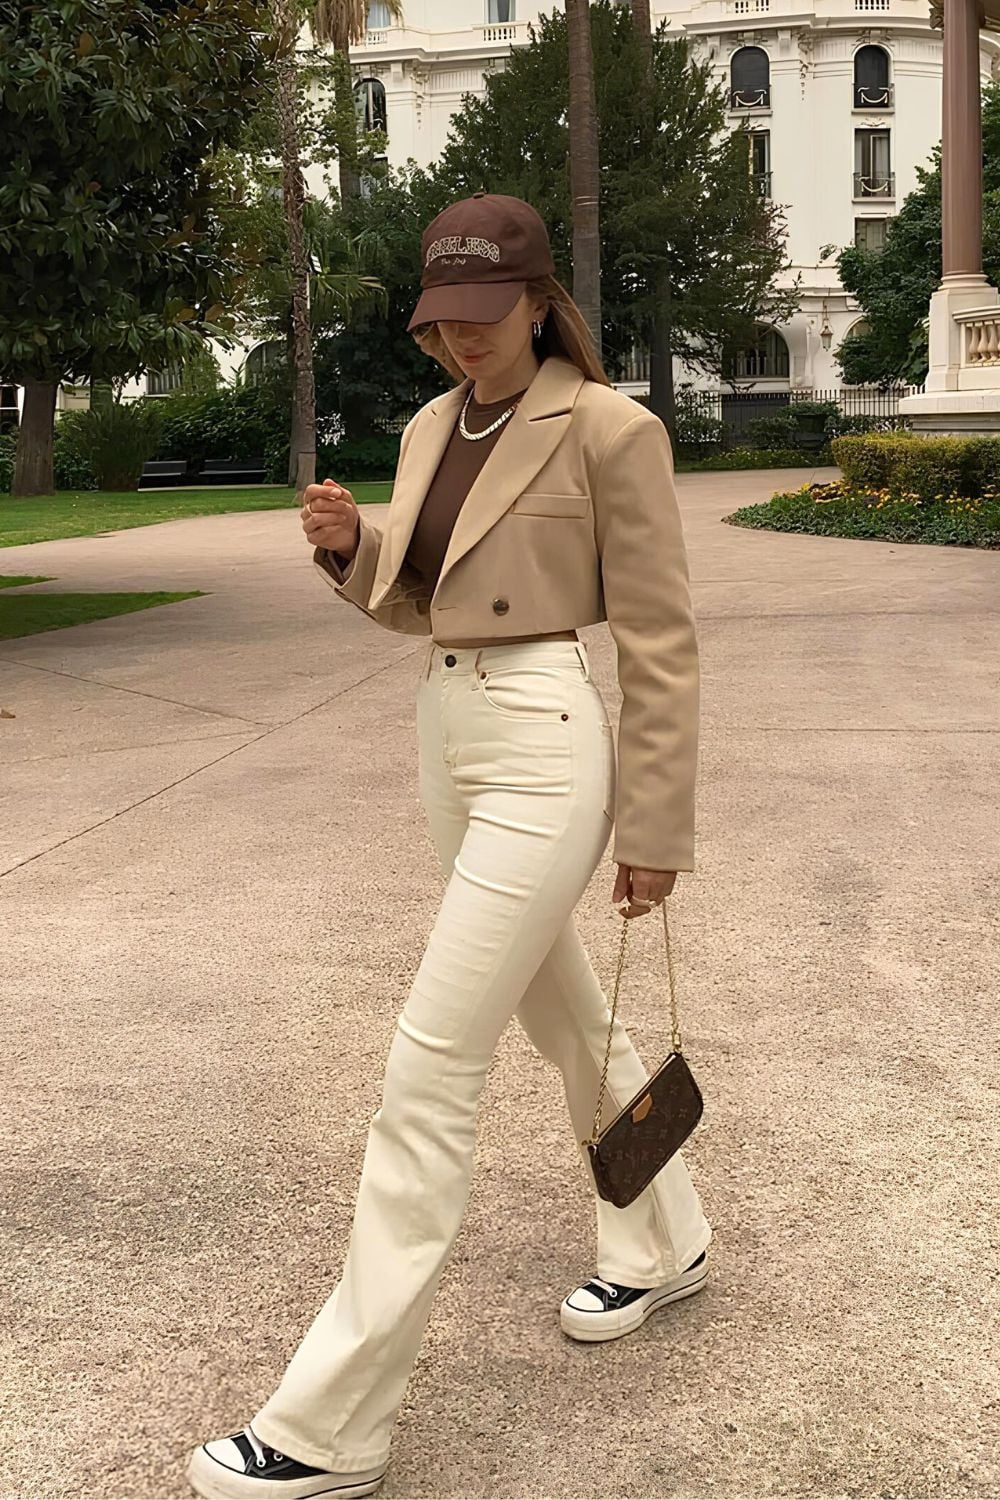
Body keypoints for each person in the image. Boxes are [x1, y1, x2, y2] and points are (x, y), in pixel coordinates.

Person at [187, 192, 711, 1500]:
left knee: (427, 1067)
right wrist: (351, 549)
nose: (463, 339)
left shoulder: (611, 428)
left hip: (546, 740)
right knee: (564, 1015)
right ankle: (667, 1237)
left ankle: (331, 1424)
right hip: (450, 732)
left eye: (486, 313)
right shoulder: (432, 427)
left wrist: (654, 824)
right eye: (444, 318)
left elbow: (659, 640)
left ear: (538, 301)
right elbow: (422, 605)